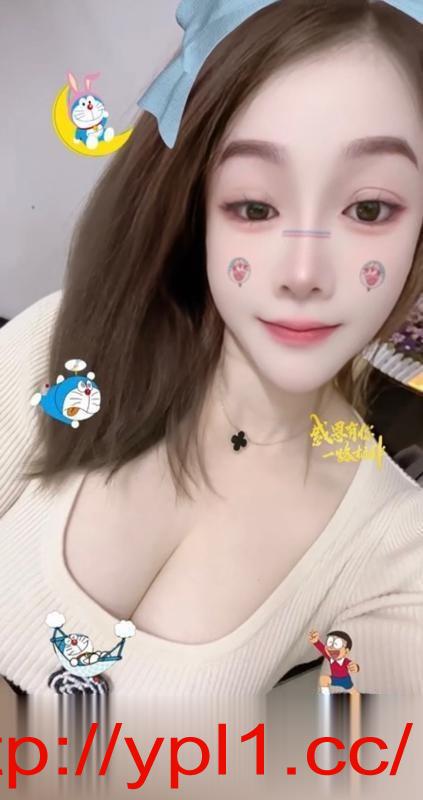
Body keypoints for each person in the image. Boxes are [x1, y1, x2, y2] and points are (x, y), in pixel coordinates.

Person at [0, 0, 422, 696]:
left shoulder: (397, 549)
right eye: (254, 207)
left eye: (368, 209)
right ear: (195, 205)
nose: (303, 274)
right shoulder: (61, 347)